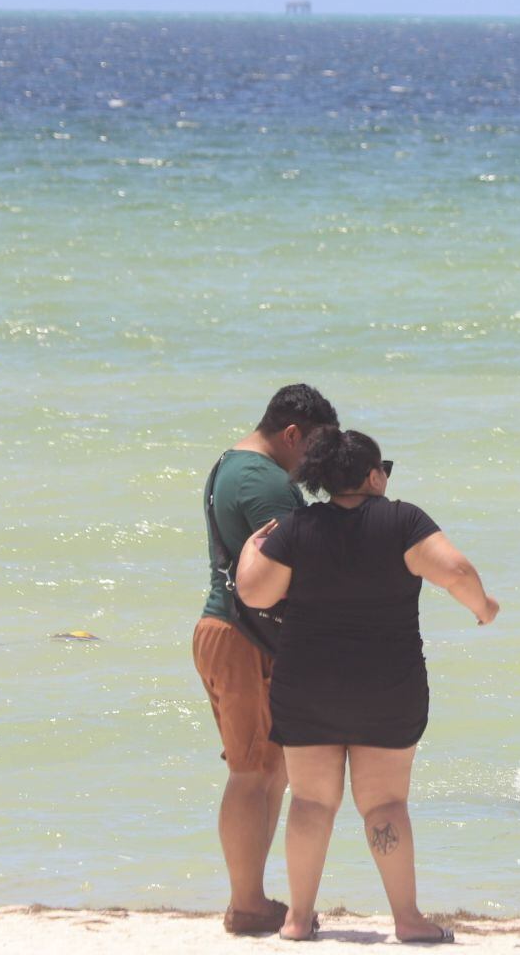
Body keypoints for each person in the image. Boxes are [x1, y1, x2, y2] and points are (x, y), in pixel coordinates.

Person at [236, 427, 499, 944]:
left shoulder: (299, 526)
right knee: (384, 805)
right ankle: (407, 919)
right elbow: (457, 571)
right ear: (374, 475)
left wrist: (250, 549)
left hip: (308, 685)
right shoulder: (402, 520)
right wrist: (483, 609)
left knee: (311, 802)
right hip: (387, 688)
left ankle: (295, 920)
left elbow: (255, 592)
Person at [192, 383, 336, 937]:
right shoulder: (264, 480)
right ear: (292, 434)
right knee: (253, 772)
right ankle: (246, 903)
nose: (314, 466)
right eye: (314, 449)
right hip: (241, 636)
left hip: (232, 631)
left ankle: (250, 898)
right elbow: (292, 568)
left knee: (266, 769)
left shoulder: (233, 465)